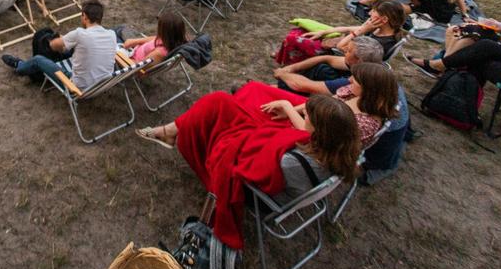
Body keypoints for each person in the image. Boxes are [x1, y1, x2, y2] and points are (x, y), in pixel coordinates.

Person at [135, 86, 359, 249]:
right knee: (221, 102)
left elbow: (247, 169)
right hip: (273, 162)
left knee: (219, 117)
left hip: (259, 195)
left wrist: (233, 139)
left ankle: (169, 132)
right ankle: (169, 131)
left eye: (307, 117)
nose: (304, 117)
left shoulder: (294, 162)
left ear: (321, 132)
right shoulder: (337, 151)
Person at [1, 0, 117, 91]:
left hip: (77, 86)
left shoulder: (80, 34)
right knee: (70, 47)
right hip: (102, 83)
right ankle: (35, 69)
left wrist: (61, 39)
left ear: (85, 16)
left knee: (38, 58)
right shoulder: (112, 35)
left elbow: (53, 45)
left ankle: (20, 66)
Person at [273, 35, 385, 93]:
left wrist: (282, 74)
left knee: (320, 71)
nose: (344, 50)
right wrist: (292, 68)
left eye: (349, 50)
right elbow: (326, 58)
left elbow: (303, 86)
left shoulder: (354, 81)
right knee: (322, 68)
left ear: (359, 60)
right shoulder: (367, 65)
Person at [119, 10, 187, 65]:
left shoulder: (159, 53)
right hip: (134, 49)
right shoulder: (171, 40)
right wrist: (134, 41)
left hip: (129, 59)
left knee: (114, 33)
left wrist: (120, 55)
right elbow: (153, 39)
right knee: (122, 28)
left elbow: (137, 67)